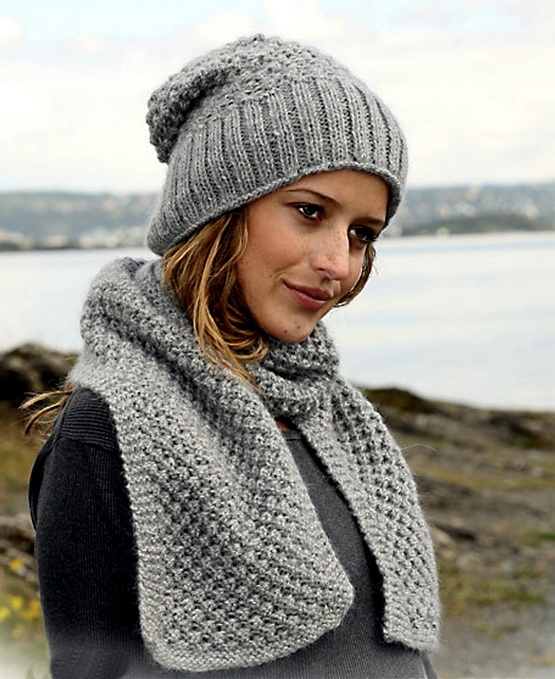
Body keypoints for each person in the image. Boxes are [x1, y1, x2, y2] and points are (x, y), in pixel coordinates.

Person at [28, 34, 440, 679]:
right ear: (217, 210)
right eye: (310, 212)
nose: (339, 263)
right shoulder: (108, 432)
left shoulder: (337, 420)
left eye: (363, 233)